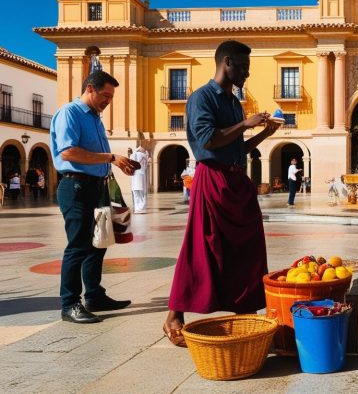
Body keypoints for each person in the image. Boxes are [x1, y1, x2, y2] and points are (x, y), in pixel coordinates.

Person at [163, 40, 282, 346]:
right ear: (226, 62)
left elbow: (236, 148)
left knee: (250, 248)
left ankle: (247, 308)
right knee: (201, 246)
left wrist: (263, 134)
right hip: (212, 180)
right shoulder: (201, 98)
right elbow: (207, 140)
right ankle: (175, 314)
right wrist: (244, 123)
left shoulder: (233, 101)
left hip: (236, 182)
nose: (246, 74)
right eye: (243, 67)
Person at [50, 70, 137, 323]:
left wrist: (116, 165)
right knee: (77, 246)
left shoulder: (95, 118)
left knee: (98, 243)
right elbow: (68, 152)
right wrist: (111, 158)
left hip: (97, 186)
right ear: (90, 88)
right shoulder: (70, 113)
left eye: (111, 97)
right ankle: (69, 304)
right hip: (75, 187)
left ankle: (95, 295)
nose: (108, 101)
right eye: (105, 95)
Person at [130, 146, 150, 213]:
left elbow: (131, 157)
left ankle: (137, 208)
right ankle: (141, 208)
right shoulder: (145, 156)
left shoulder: (133, 155)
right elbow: (147, 164)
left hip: (134, 176)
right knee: (142, 193)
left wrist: (136, 150)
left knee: (136, 193)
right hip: (141, 175)